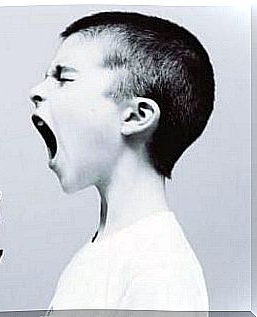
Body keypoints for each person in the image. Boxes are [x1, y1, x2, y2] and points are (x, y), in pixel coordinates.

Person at [30, 11, 214, 312]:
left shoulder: (160, 272)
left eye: (63, 78)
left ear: (135, 116)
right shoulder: (102, 251)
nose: (36, 91)